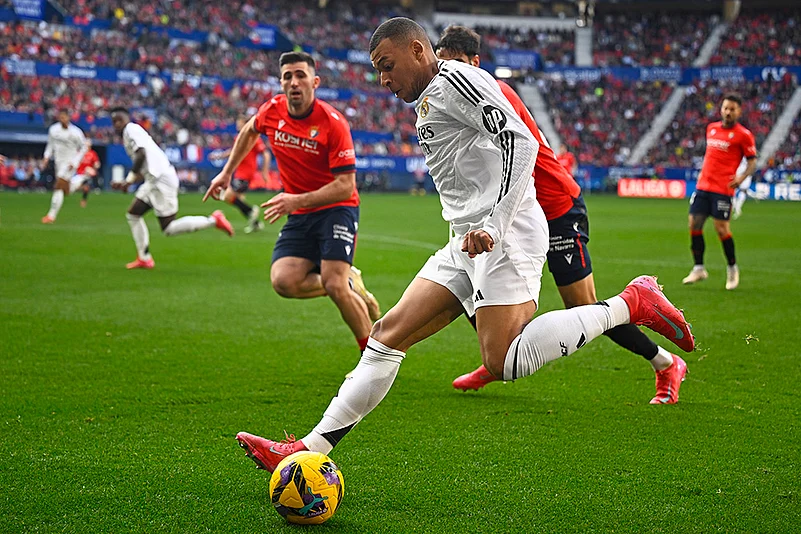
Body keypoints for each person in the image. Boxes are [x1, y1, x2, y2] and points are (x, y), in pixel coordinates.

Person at [233, 18, 695, 472]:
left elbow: (521, 142)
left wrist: (495, 223)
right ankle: (307, 449)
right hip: (465, 241)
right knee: (386, 335)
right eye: (377, 69)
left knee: (503, 360)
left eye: (387, 65)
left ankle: (632, 302)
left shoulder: (458, 79)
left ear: (418, 50)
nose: (383, 79)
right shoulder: (429, 100)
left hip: (505, 236)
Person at [434, 25, 684, 403]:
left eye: (456, 66)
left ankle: (665, 363)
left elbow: (516, 152)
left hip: (555, 206)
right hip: (512, 215)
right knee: (471, 280)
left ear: (476, 64)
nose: (448, 77)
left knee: (584, 307)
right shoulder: (455, 99)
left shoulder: (490, 92)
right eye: (442, 67)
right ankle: (498, 355)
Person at [204, 51, 381, 354]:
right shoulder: (272, 110)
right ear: (281, 82)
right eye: (288, 76)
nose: (294, 82)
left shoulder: (333, 123)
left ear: (315, 82)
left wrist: (295, 199)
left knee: (334, 285)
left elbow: (345, 187)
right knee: (284, 282)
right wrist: (226, 173)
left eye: (300, 75)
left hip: (336, 209)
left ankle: (373, 362)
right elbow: (249, 131)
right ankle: (352, 285)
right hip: (300, 211)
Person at [110, 107, 234, 270]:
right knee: (133, 215)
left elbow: (141, 154)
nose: (117, 124)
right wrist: (127, 182)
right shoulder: (132, 133)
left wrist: (129, 180)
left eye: (120, 120)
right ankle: (144, 258)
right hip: (154, 180)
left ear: (127, 119)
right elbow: (146, 165)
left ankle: (213, 220)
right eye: (114, 122)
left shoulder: (131, 129)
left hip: (161, 181)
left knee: (168, 228)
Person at [682, 93, 757, 290]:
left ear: (739, 112)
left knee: (721, 228)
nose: (728, 112)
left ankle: (732, 269)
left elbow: (752, 161)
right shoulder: (711, 129)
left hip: (723, 189)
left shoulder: (744, 135)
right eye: (725, 108)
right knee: (693, 224)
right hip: (703, 186)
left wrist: (741, 178)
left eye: (732, 109)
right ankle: (699, 268)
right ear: (721, 110)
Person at [216, 115, 271, 233]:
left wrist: (264, 171)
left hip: (245, 173)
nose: (237, 125)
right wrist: (219, 156)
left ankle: (251, 210)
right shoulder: (240, 137)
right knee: (239, 199)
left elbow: (266, 154)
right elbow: (234, 152)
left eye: (239, 123)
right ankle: (255, 223)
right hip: (240, 173)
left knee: (227, 196)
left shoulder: (253, 137)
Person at [41, 109, 88, 223]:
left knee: (58, 187)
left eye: (64, 117)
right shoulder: (53, 130)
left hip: (70, 163)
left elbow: (84, 147)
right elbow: (50, 145)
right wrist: (46, 157)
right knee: (64, 188)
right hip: (59, 162)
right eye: (60, 117)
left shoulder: (76, 132)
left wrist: (75, 162)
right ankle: (80, 181)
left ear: (68, 117)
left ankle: (51, 216)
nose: (62, 119)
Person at [75, 141, 101, 208]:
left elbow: (96, 162)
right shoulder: (80, 153)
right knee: (76, 188)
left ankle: (95, 188)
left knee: (86, 188)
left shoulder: (92, 153)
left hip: (88, 173)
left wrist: (96, 165)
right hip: (79, 173)